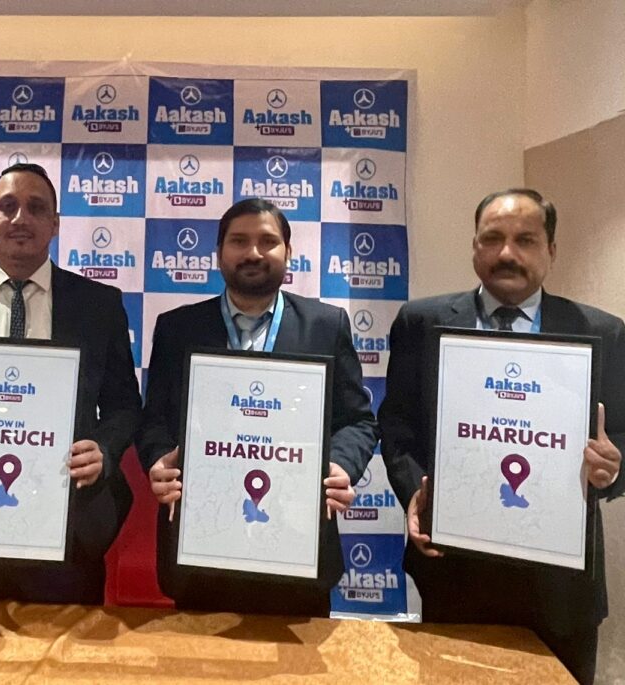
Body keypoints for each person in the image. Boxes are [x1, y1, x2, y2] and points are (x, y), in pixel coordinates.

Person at [378, 188, 624, 684]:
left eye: (525, 240)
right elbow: (398, 428)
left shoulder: (603, 331)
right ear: (474, 247)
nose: (506, 253)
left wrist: (612, 468)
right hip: (454, 576)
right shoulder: (421, 323)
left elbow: (620, 435)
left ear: (551, 250)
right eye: (491, 239)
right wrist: (418, 493)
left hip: (561, 590)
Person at [0, 162, 141, 605]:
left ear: (55, 223)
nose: (20, 218)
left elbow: (124, 406)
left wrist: (104, 450)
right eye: (8, 206)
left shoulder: (100, 305)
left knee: (66, 645)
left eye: (36, 208)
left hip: (70, 524)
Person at [137, 198, 379, 615]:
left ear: (289, 252)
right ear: (219, 253)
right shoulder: (177, 328)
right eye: (239, 241)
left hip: (299, 544)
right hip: (201, 549)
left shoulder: (326, 325)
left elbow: (358, 420)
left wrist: (340, 464)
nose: (253, 252)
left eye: (267, 241)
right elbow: (154, 420)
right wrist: (159, 459)